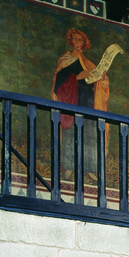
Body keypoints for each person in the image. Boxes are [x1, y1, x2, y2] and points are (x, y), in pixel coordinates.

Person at [51, 28, 110, 180]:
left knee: (90, 134)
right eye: (75, 39)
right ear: (70, 41)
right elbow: (58, 83)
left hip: (88, 103)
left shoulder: (89, 64)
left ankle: (90, 168)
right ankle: (69, 166)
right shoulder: (65, 59)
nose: (77, 42)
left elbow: (100, 87)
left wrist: (102, 80)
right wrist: (76, 77)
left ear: (85, 43)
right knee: (70, 134)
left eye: (80, 40)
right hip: (71, 102)